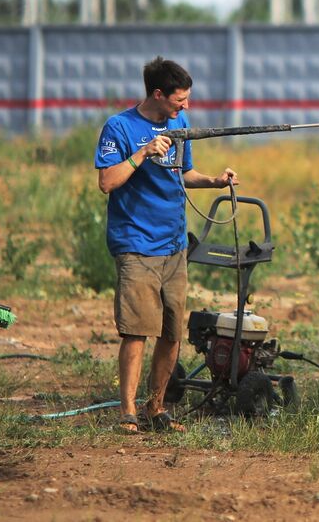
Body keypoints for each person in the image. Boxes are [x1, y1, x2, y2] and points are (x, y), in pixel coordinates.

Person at [96, 57, 237, 434]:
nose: (185, 106)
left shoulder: (180, 123)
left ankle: (156, 408)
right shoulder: (119, 127)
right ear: (158, 94)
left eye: (188, 99)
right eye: (179, 99)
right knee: (137, 330)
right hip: (136, 243)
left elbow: (184, 172)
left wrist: (214, 180)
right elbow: (107, 182)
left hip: (174, 243)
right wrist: (142, 153)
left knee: (172, 332)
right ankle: (127, 412)